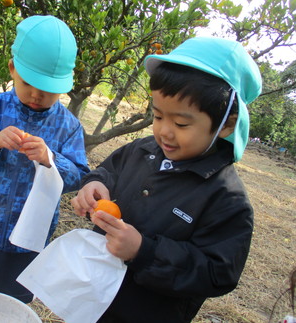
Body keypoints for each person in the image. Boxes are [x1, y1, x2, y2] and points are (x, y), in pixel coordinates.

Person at [71, 36, 262, 322]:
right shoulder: (143, 150)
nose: (165, 133)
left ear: (227, 124)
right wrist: (95, 184)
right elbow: (110, 170)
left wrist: (144, 252)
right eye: (158, 116)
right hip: (94, 297)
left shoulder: (226, 200)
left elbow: (217, 273)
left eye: (181, 123)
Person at [0, 15, 89, 303]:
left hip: (28, 236)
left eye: (48, 90)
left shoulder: (68, 126)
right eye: (28, 84)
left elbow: (79, 176)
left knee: (12, 300)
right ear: (12, 69)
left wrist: (51, 159)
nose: (36, 95)